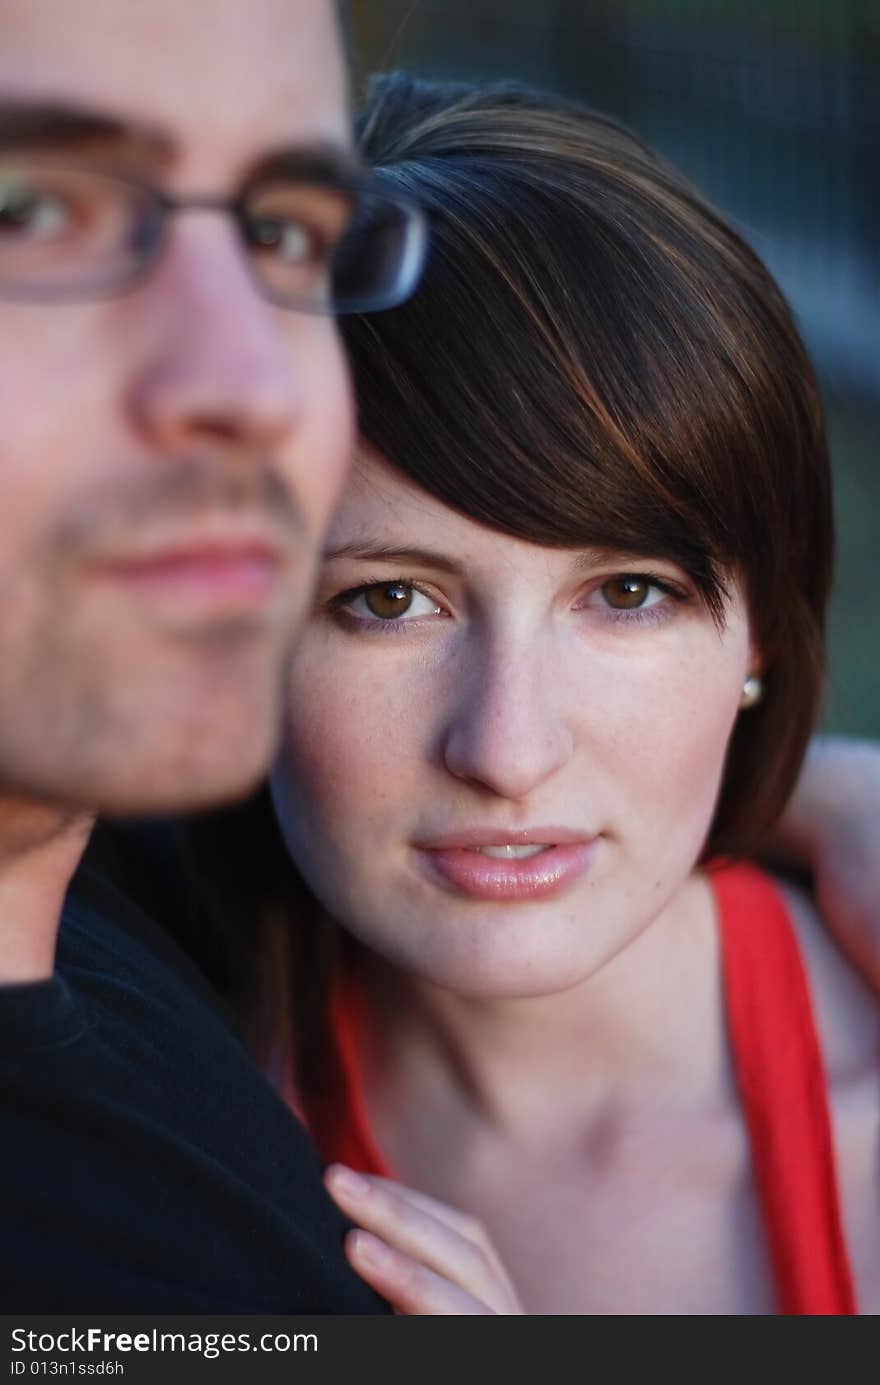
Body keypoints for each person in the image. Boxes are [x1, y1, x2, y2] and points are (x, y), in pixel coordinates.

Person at [191, 74, 880, 1315]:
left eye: (626, 595)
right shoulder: (146, 1119)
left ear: (760, 633)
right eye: (388, 601)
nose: (507, 748)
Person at [0, 1, 428, 1312]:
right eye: (28, 212)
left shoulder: (101, 862)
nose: (258, 378)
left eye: (284, 233)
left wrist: (783, 783)